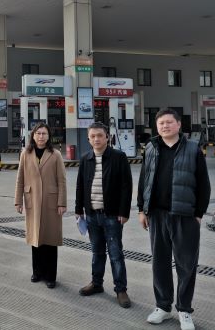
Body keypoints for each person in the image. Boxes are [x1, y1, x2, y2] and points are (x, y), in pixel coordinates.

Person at [137, 108, 211, 330]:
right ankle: (163, 306)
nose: (165, 126)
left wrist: (198, 214)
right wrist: (142, 209)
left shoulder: (192, 149)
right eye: (161, 123)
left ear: (179, 125)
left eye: (169, 122)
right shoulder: (151, 148)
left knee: (186, 265)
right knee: (159, 263)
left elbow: (204, 184)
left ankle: (184, 310)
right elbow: (144, 180)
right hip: (157, 215)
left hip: (184, 216)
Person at [75, 122, 133, 308]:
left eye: (100, 135)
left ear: (107, 137)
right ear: (88, 139)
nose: (96, 139)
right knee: (97, 252)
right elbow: (80, 185)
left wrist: (124, 212)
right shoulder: (86, 158)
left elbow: (126, 186)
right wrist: (78, 209)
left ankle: (121, 289)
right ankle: (96, 283)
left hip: (112, 216)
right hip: (92, 215)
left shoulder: (118, 157)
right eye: (92, 136)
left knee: (115, 254)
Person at [14, 122, 66, 289]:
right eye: (38, 133)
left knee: (50, 240)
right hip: (32, 201)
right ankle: (37, 272)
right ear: (33, 135)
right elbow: (20, 178)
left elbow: (62, 181)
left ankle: (50, 276)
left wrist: (62, 202)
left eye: (44, 133)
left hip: (51, 202)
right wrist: (18, 200)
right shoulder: (26, 153)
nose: (41, 136)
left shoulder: (55, 154)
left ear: (49, 136)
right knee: (35, 239)